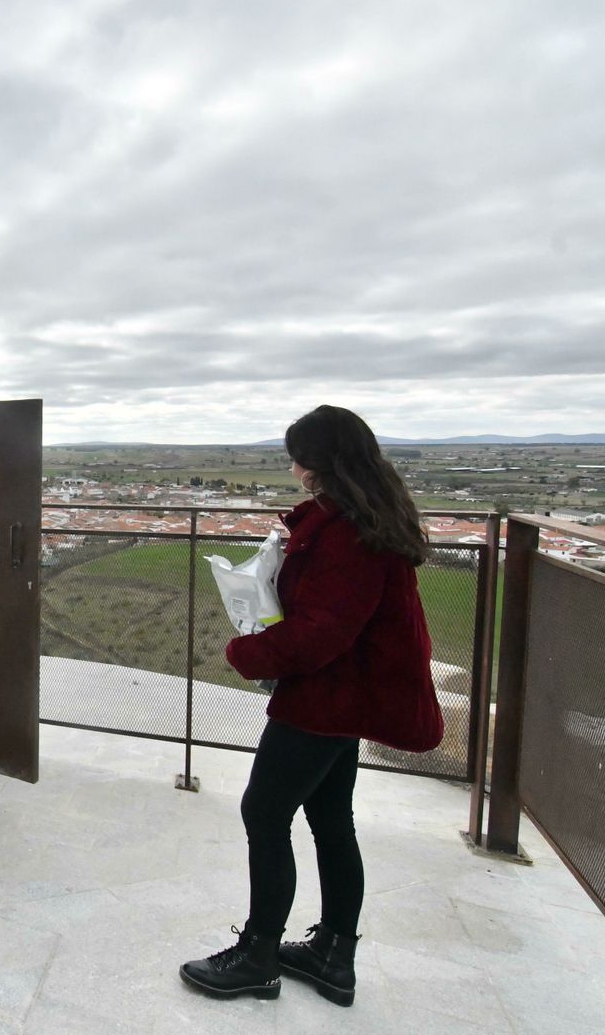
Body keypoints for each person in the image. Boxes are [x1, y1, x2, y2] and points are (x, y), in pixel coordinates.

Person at [179, 405, 443, 1006]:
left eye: (297, 456)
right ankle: (332, 954)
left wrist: (247, 650)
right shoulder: (369, 518)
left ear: (315, 466)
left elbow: (322, 632)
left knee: (264, 815)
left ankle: (258, 957)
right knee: (330, 821)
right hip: (350, 695)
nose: (294, 467)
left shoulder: (345, 532)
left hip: (326, 699)